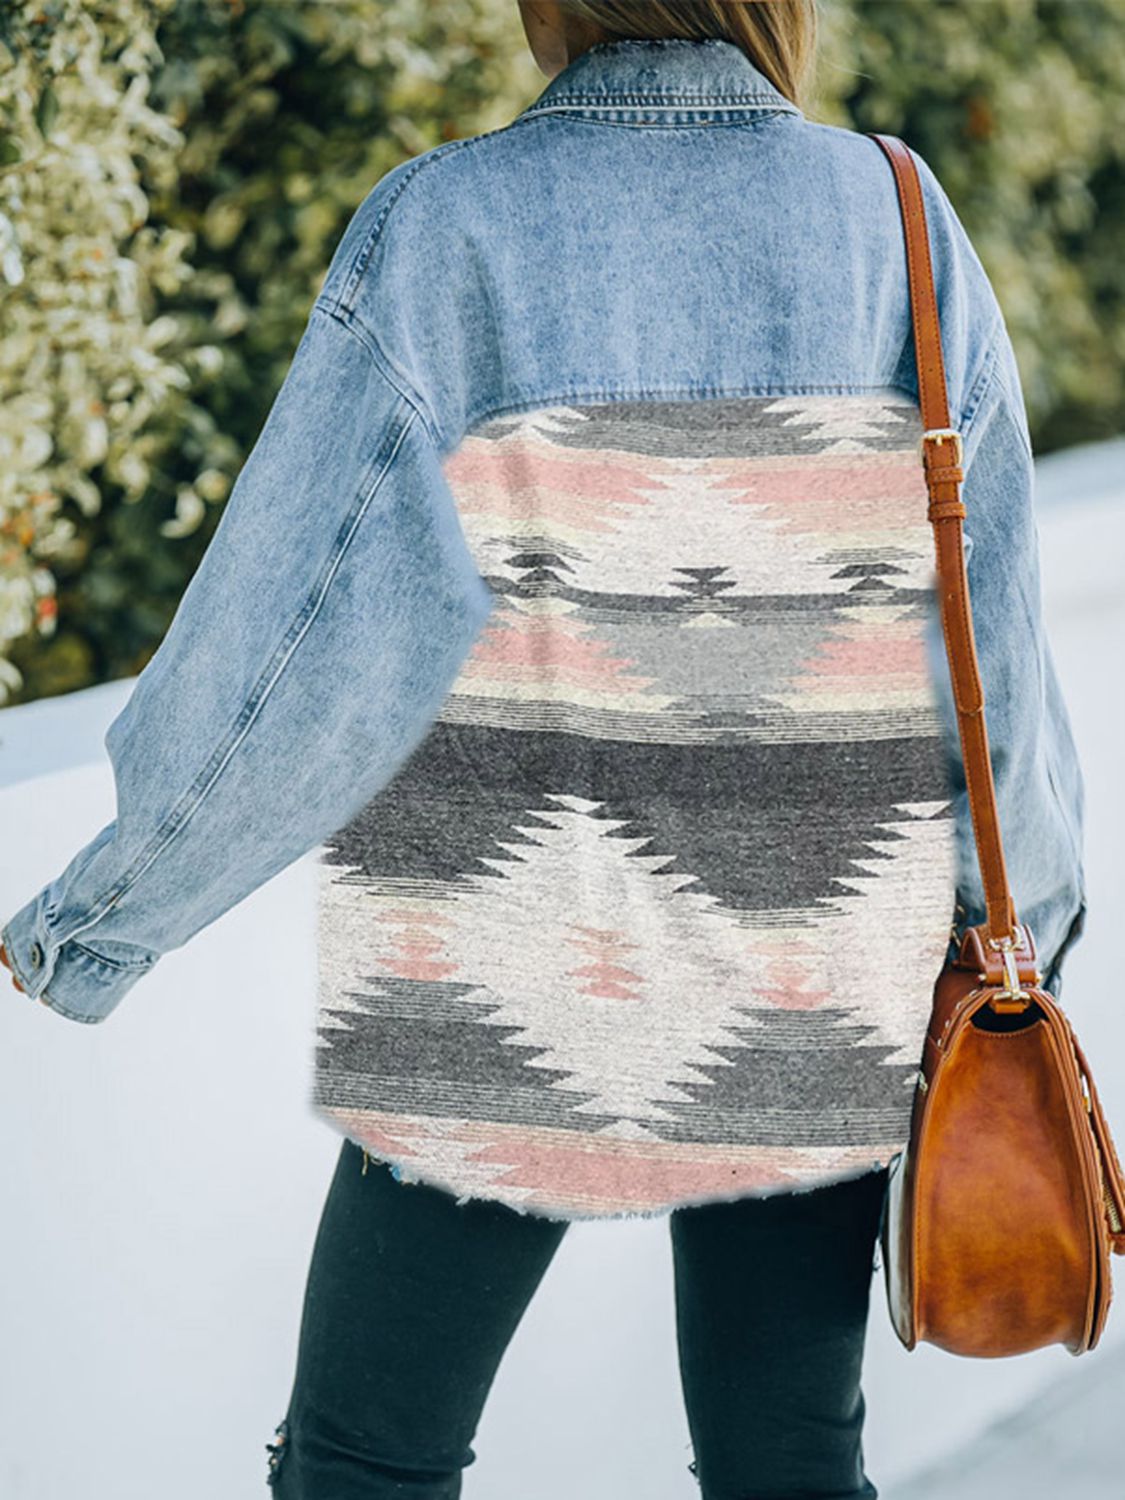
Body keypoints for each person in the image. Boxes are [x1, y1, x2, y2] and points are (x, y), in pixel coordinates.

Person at [2, 2, 1087, 1496]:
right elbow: (990, 639)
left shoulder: (446, 226)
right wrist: (1017, 923)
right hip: (806, 963)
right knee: (786, 1458)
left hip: (511, 960)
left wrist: (101, 917)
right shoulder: (892, 213)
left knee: (363, 1461)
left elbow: (301, 641)